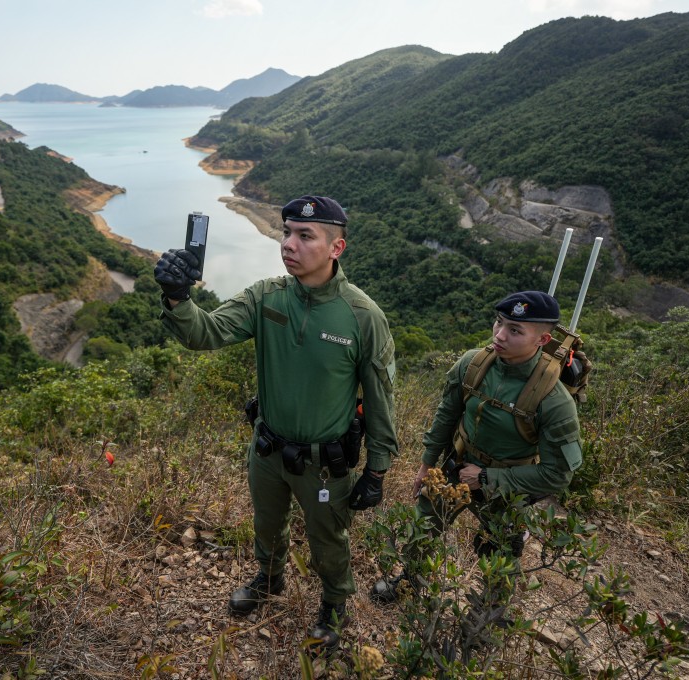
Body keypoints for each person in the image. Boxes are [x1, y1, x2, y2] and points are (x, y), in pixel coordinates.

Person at [154, 195, 398, 652]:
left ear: (336, 248)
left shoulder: (362, 316)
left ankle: (334, 604)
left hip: (325, 462)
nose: (289, 244)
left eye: (305, 236)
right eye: (287, 232)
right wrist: (176, 296)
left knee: (329, 539)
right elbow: (203, 332)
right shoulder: (266, 296)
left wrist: (378, 469)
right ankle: (268, 578)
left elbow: (381, 397)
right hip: (267, 450)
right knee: (267, 525)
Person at [371, 290, 582, 602]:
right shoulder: (474, 363)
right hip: (457, 465)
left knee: (498, 554)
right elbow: (446, 416)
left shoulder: (554, 401)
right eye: (499, 323)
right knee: (423, 527)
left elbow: (557, 475)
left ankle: (488, 616)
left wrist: (486, 478)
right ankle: (408, 583)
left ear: (542, 340)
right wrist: (426, 466)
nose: (499, 335)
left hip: (508, 484)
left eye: (515, 330)